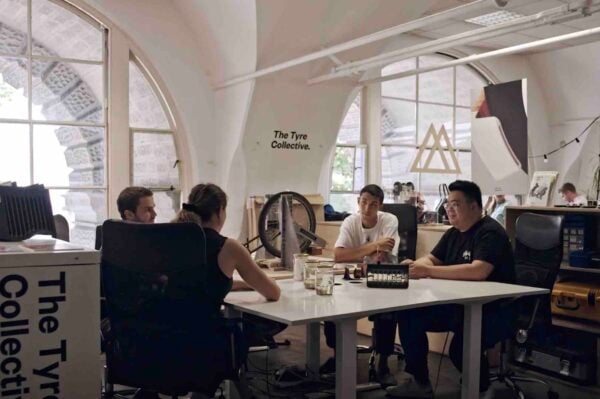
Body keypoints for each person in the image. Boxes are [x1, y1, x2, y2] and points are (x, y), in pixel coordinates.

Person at [387, 180, 515, 398]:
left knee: (461, 347)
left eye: (456, 204)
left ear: (475, 206)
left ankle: (482, 387)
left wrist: (428, 271)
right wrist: (416, 265)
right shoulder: (454, 232)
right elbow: (432, 259)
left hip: (493, 310)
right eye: (447, 204)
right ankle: (420, 382)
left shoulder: (490, 232)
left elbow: (478, 271)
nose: (449, 208)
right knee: (409, 315)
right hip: (459, 306)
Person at [172, 183, 282, 399]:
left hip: (161, 334)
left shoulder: (170, 239)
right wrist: (258, 281)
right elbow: (273, 293)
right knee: (254, 327)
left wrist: (240, 284)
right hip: (205, 340)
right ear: (220, 210)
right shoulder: (227, 247)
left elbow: (194, 284)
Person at [322, 184, 400, 386]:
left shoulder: (389, 220)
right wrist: (374, 246)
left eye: (373, 204)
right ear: (358, 202)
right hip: (354, 277)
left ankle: (382, 363)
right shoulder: (350, 221)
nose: (367, 208)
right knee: (333, 305)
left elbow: (381, 259)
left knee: (387, 310)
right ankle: (339, 356)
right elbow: (338, 255)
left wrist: (360, 253)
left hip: (383, 277)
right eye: (364, 202)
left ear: (380, 205)